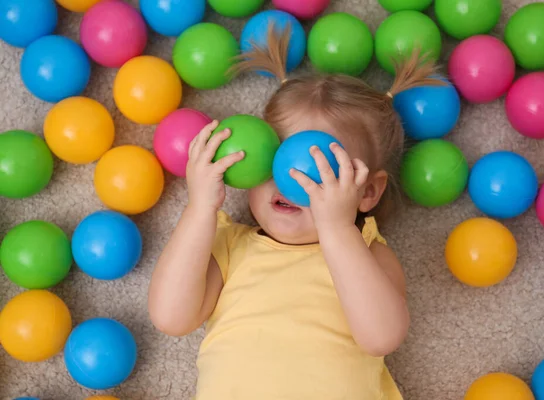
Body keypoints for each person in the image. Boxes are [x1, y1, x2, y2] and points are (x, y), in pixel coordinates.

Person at [148, 25, 443, 400]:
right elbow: (171, 317)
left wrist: (336, 229)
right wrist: (199, 208)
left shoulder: (366, 250)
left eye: (317, 171)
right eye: (275, 158)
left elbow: (381, 337)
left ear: (367, 191)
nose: (290, 180)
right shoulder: (228, 244)